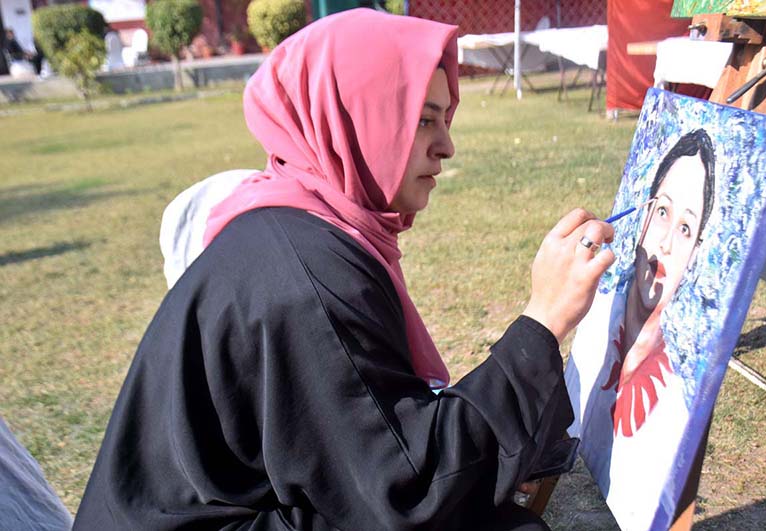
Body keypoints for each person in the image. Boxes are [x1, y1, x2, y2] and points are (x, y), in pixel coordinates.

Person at [74, 9, 614, 530]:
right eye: (423, 119)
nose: (447, 146)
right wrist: (543, 320)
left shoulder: (304, 223)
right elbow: (407, 492)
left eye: (444, 118)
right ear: (355, 118)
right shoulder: (306, 276)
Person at [600, 129, 715, 437]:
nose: (665, 243)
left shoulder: (674, 399)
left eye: (686, 229)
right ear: (643, 217)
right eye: (663, 211)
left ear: (696, 253)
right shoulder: (599, 322)